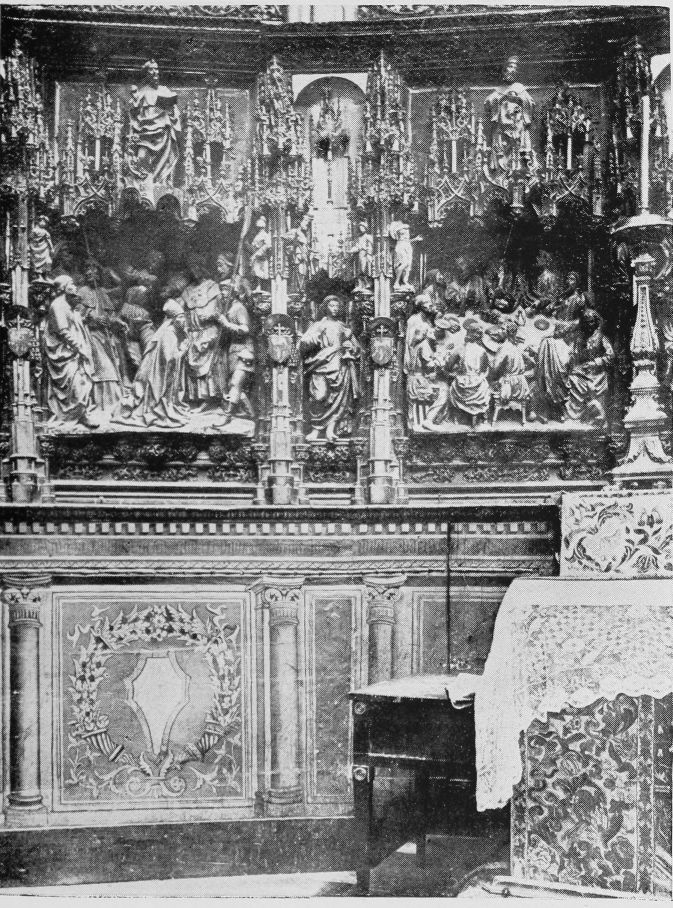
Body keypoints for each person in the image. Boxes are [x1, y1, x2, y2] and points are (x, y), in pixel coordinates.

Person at [300, 295, 360, 442]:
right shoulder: (318, 325)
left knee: (337, 396)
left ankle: (330, 429)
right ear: (325, 308)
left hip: (339, 364)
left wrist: (350, 346)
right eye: (332, 306)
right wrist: (314, 339)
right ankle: (316, 429)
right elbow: (304, 342)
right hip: (321, 362)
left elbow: (357, 347)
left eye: (337, 306)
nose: (335, 309)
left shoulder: (343, 327)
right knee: (319, 395)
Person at [43, 276, 99, 428]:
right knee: (76, 383)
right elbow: (63, 332)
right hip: (64, 353)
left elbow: (75, 324)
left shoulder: (68, 305)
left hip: (74, 352)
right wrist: (79, 348)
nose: (75, 287)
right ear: (63, 287)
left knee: (84, 380)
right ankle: (73, 415)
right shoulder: (58, 305)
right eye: (72, 284)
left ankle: (82, 413)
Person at [129, 299, 190, 428]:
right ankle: (160, 410)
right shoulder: (168, 334)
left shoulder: (171, 331)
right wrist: (183, 350)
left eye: (184, 317)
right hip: (159, 376)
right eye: (180, 317)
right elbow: (169, 358)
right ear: (173, 320)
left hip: (162, 372)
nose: (183, 320)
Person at [77, 260, 124, 414]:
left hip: (105, 336)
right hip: (90, 335)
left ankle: (113, 405)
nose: (91, 273)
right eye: (88, 271)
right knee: (103, 367)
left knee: (114, 363)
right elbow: (77, 313)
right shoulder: (81, 292)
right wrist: (92, 317)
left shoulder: (102, 292)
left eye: (95, 271)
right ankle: (102, 405)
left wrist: (116, 321)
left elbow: (110, 314)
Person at [180, 254, 226, 409]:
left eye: (196, 267)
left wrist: (209, 315)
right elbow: (184, 310)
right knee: (192, 367)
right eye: (191, 268)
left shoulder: (211, 286)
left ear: (202, 267)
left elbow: (217, 309)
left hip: (208, 330)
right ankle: (196, 399)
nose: (194, 271)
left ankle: (210, 400)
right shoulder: (187, 290)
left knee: (208, 366)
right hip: (193, 332)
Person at [129, 59, 181, 184]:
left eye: (156, 69)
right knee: (142, 157)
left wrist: (171, 110)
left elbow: (174, 113)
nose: (155, 72)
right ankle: (144, 183)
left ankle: (160, 183)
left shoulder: (165, 90)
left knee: (164, 160)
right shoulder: (142, 92)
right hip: (145, 133)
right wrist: (134, 101)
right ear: (146, 74)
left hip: (163, 133)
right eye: (151, 69)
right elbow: (133, 115)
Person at [214, 281, 255, 428]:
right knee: (236, 385)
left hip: (244, 351)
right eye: (221, 290)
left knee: (235, 383)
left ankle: (227, 416)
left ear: (234, 292)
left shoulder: (239, 308)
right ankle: (252, 415)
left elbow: (245, 329)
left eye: (226, 289)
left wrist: (226, 324)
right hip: (233, 352)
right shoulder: (229, 309)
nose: (223, 293)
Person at [484, 56, 535, 172]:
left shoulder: (521, 89)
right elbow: (488, 102)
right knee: (501, 149)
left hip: (517, 127)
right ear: (504, 70)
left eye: (514, 68)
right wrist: (501, 99)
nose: (512, 70)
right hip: (502, 128)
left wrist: (519, 98)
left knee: (518, 147)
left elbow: (530, 103)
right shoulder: (498, 90)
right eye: (510, 67)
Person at [565, 308, 614, 424]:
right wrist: (571, 360)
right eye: (586, 322)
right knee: (572, 379)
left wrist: (596, 363)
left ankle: (595, 414)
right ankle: (576, 415)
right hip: (582, 371)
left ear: (596, 322)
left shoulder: (601, 338)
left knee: (590, 386)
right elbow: (573, 354)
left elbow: (611, 356)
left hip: (597, 373)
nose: (589, 325)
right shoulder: (580, 338)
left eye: (591, 321)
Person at [404, 294, 439, 428]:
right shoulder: (414, 320)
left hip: (423, 364)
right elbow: (411, 343)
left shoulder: (427, 320)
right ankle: (421, 421)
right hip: (418, 366)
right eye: (427, 303)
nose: (430, 305)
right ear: (420, 306)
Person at [447, 322, 491, 427]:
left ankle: (457, 416)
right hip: (477, 384)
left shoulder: (459, 349)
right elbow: (484, 369)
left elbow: (448, 367)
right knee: (484, 386)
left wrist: (457, 371)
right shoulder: (482, 351)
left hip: (462, 384)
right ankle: (479, 417)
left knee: (453, 386)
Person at [488, 321, 531, 424]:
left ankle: (486, 418)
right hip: (521, 384)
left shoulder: (504, 347)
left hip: (509, 384)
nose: (499, 331)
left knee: (486, 386)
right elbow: (527, 363)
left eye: (502, 329)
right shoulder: (517, 347)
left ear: (509, 333)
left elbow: (495, 368)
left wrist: (489, 363)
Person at [388, 221, 422, 291]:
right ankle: (396, 282)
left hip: (407, 246)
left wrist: (416, 239)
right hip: (401, 247)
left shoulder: (405, 230)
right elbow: (399, 235)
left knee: (408, 265)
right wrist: (404, 227)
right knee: (404, 263)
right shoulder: (398, 229)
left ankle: (404, 281)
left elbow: (407, 240)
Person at [248, 215, 272, 293]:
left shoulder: (265, 235)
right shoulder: (258, 235)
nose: (258, 229)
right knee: (256, 270)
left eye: (260, 227)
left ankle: (263, 288)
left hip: (262, 255)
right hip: (256, 254)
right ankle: (258, 287)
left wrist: (260, 251)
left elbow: (268, 245)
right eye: (258, 227)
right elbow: (254, 243)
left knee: (261, 271)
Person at [351, 222, 374, 294]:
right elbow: (357, 246)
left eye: (363, 227)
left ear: (366, 228)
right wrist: (353, 249)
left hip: (365, 255)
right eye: (360, 227)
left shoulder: (368, 236)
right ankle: (360, 285)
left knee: (365, 269)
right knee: (358, 271)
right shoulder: (359, 237)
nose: (361, 228)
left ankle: (368, 284)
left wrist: (368, 252)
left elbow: (372, 246)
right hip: (358, 255)